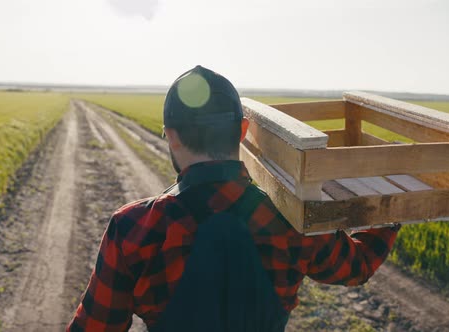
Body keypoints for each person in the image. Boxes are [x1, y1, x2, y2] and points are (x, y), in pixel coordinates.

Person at [67, 65, 400, 331]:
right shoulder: (291, 218)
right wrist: (392, 209)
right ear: (242, 131)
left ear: (172, 136)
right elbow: (355, 267)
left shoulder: (133, 226)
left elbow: (95, 326)